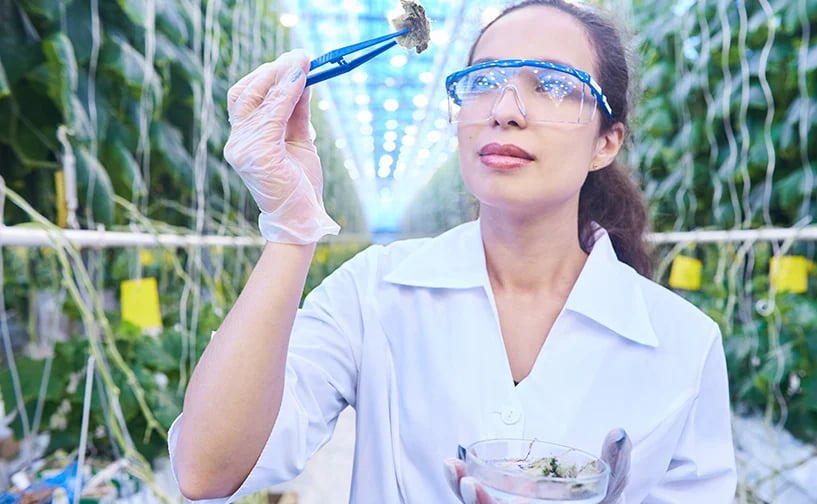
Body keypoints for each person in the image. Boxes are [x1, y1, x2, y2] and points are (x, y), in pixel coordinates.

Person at [168, 0, 737, 502]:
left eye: (551, 85)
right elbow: (206, 469)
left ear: (606, 143)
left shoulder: (683, 344)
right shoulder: (375, 291)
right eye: (483, 81)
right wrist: (292, 229)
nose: (505, 109)